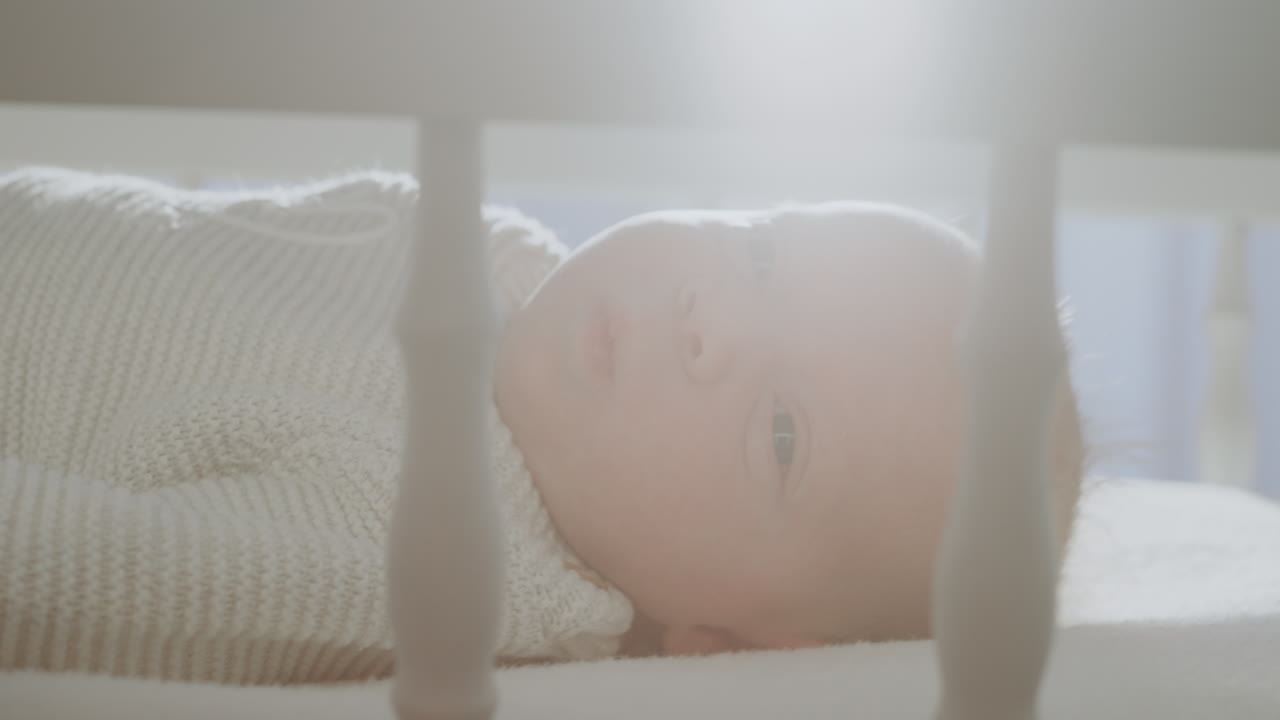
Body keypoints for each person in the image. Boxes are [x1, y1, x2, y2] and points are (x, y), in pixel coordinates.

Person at [0, 167, 1082, 684]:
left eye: (783, 432)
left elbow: (72, 576)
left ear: (727, 642)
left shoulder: (455, 553)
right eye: (760, 253)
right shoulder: (502, 260)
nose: (712, 318)